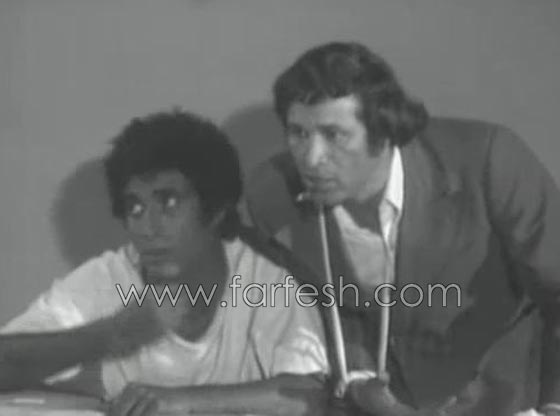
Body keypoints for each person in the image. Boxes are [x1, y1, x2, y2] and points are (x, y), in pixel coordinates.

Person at [245, 41, 560, 415]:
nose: (311, 159)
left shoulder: (489, 161)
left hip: (504, 401)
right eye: (298, 133)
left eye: (334, 135)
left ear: (383, 131)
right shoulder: (272, 194)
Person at [0, 110, 330, 416]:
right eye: (135, 208)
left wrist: (183, 401)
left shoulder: (264, 279)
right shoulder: (110, 277)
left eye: (169, 204)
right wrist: (112, 336)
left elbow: (310, 396)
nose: (148, 228)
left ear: (215, 210)